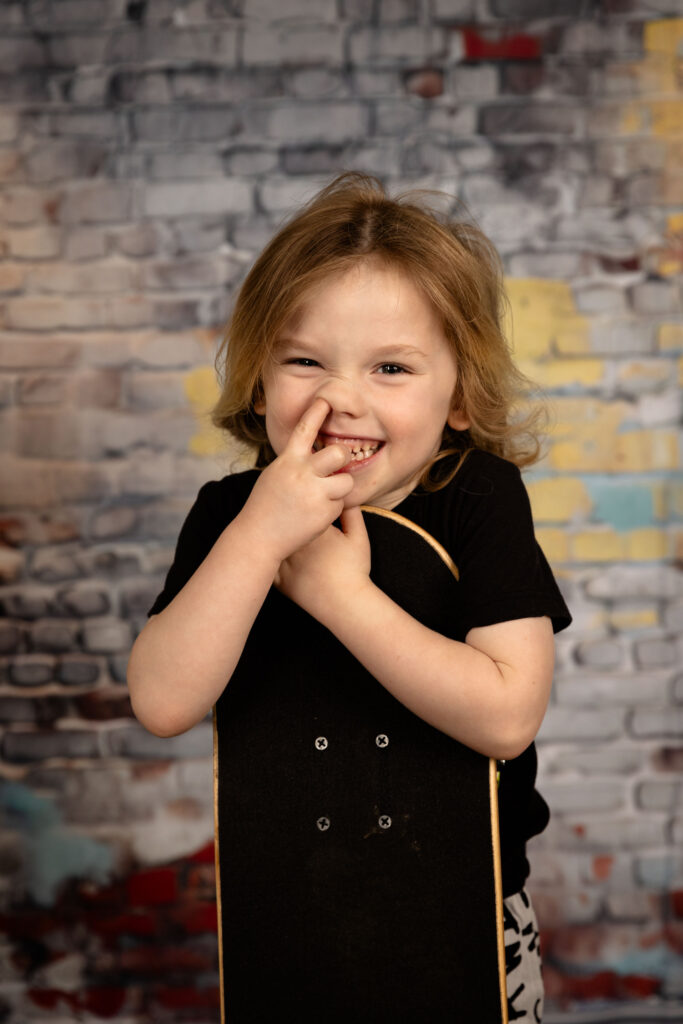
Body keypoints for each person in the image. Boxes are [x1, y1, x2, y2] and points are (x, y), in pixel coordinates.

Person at [127, 172, 571, 1022]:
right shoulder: (230, 514)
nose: (341, 401)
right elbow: (161, 700)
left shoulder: (478, 500)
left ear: (460, 398)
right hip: (279, 915)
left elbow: (508, 714)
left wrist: (337, 595)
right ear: (260, 385)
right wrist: (261, 535)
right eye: (304, 361)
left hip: (467, 912)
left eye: (392, 367)